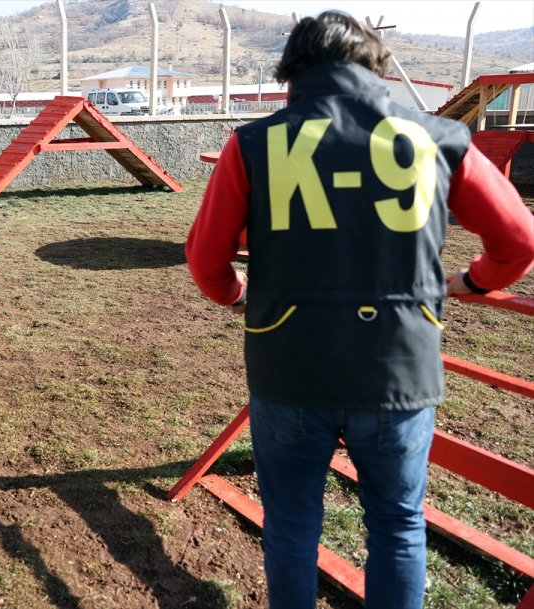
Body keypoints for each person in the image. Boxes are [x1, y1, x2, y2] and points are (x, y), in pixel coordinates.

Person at [185, 11, 534, 609]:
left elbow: (206, 261)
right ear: (377, 67)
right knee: (398, 528)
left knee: (291, 528)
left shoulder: (252, 143)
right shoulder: (439, 137)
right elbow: (520, 241)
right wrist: (471, 281)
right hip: (398, 370)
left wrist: (238, 296)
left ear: (292, 71)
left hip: (289, 367)